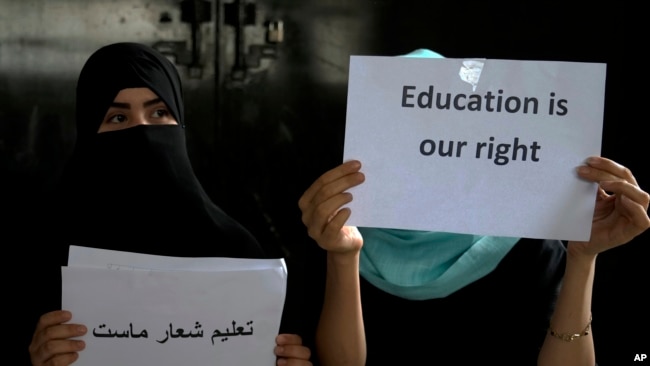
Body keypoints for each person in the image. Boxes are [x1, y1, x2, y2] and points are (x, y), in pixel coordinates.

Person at [298, 51, 650, 366]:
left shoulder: (527, 245)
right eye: (404, 125)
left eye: (444, 131)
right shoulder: (335, 232)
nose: (428, 149)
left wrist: (583, 258)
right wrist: (343, 258)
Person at [27, 42, 312, 366]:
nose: (143, 132)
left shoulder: (236, 252)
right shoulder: (43, 255)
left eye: (159, 113)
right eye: (118, 117)